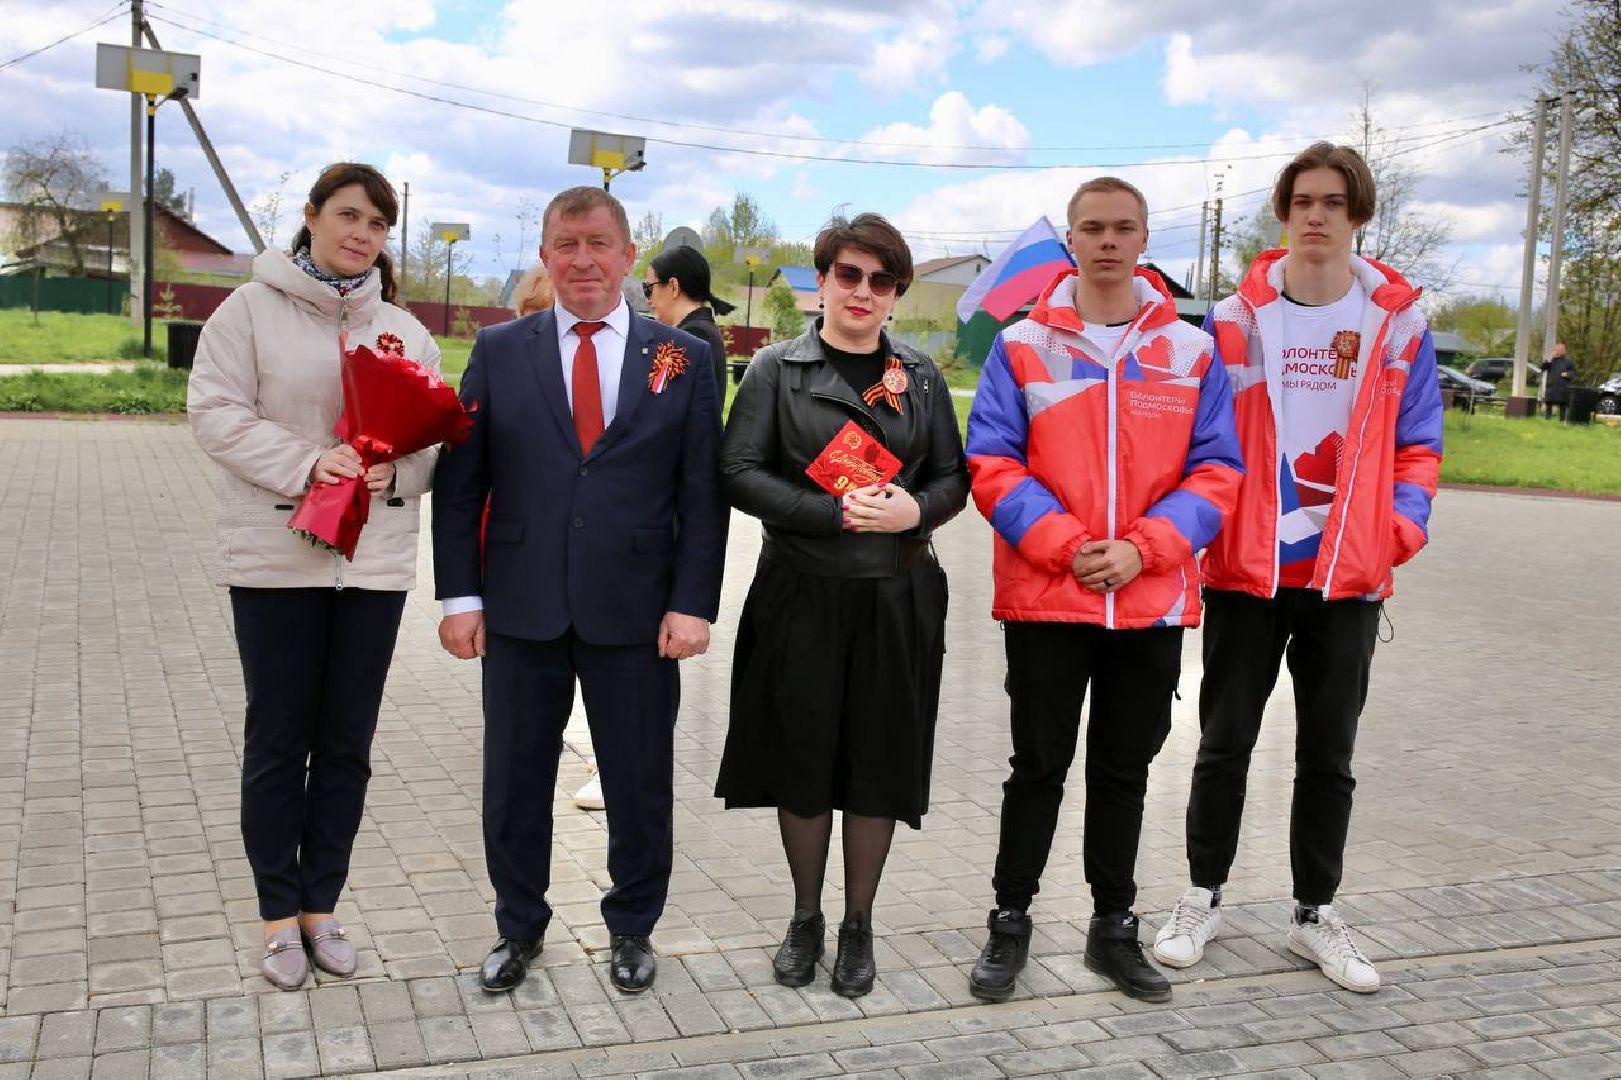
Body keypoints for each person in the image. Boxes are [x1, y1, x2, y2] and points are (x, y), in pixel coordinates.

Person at [1152, 142, 1443, 995]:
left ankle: (1314, 914)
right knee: (1222, 745)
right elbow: (1201, 435)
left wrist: (1396, 533)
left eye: (1333, 202)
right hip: (1247, 571)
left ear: (1358, 216)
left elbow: (1419, 444)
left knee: (1328, 755)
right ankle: (1201, 897)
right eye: (1302, 201)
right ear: (1282, 213)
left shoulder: (1397, 324)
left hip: (1346, 577)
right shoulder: (1233, 320)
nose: (1316, 215)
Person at [432, 186, 728, 995]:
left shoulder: (682, 357)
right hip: (520, 606)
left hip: (637, 612)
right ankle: (517, 926)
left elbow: (702, 494)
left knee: (638, 781)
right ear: (544, 256)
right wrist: (459, 599)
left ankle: (632, 926)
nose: (583, 259)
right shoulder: (500, 351)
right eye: (566, 244)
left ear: (628, 256)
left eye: (599, 243)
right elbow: (461, 486)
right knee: (514, 782)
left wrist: (692, 603)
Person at [963, 177, 1243, 1004]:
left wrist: (1141, 550)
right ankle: (1009, 919)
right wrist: (1070, 547)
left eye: (1123, 228)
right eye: (1092, 228)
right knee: (1036, 769)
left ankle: (1112, 927)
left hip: (1147, 601)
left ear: (1144, 238)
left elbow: (1218, 470)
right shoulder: (1021, 345)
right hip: (1049, 598)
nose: (1108, 241)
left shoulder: (1190, 352)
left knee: (1123, 774)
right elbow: (991, 462)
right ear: (1072, 240)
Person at [188, 162, 441, 991]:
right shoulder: (249, 312)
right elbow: (214, 412)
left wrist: (397, 472)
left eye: (376, 223)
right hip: (275, 562)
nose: (361, 233)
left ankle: (321, 906)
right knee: (277, 742)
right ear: (312, 216)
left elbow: (434, 442)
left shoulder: (403, 331)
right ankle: (276, 915)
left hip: (371, 570)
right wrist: (309, 464)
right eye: (347, 215)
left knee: (345, 747)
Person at [715, 212, 968, 997]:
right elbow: (737, 470)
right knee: (802, 759)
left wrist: (913, 511)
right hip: (801, 595)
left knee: (876, 762)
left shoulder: (919, 376)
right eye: (848, 275)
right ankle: (805, 917)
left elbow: (954, 477)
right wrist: (830, 513)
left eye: (881, 280)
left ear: (896, 293)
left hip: (895, 596)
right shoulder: (774, 370)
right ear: (821, 281)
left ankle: (859, 923)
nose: (863, 291)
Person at [644, 245, 736, 408]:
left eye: (648, 289)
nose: (648, 300)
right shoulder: (701, 331)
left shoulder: (692, 336)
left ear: (673, 287)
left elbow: (658, 403)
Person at [1541, 342, 1576, 421]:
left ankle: (1562, 420)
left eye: (1556, 350)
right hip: (1551, 387)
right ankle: (1548, 419)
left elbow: (1573, 373)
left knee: (1562, 405)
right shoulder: (1551, 361)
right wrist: (1548, 361)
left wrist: (1567, 374)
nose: (1554, 352)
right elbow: (1543, 367)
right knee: (1549, 403)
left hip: (1562, 387)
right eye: (1554, 350)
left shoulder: (1568, 362)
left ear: (1561, 351)